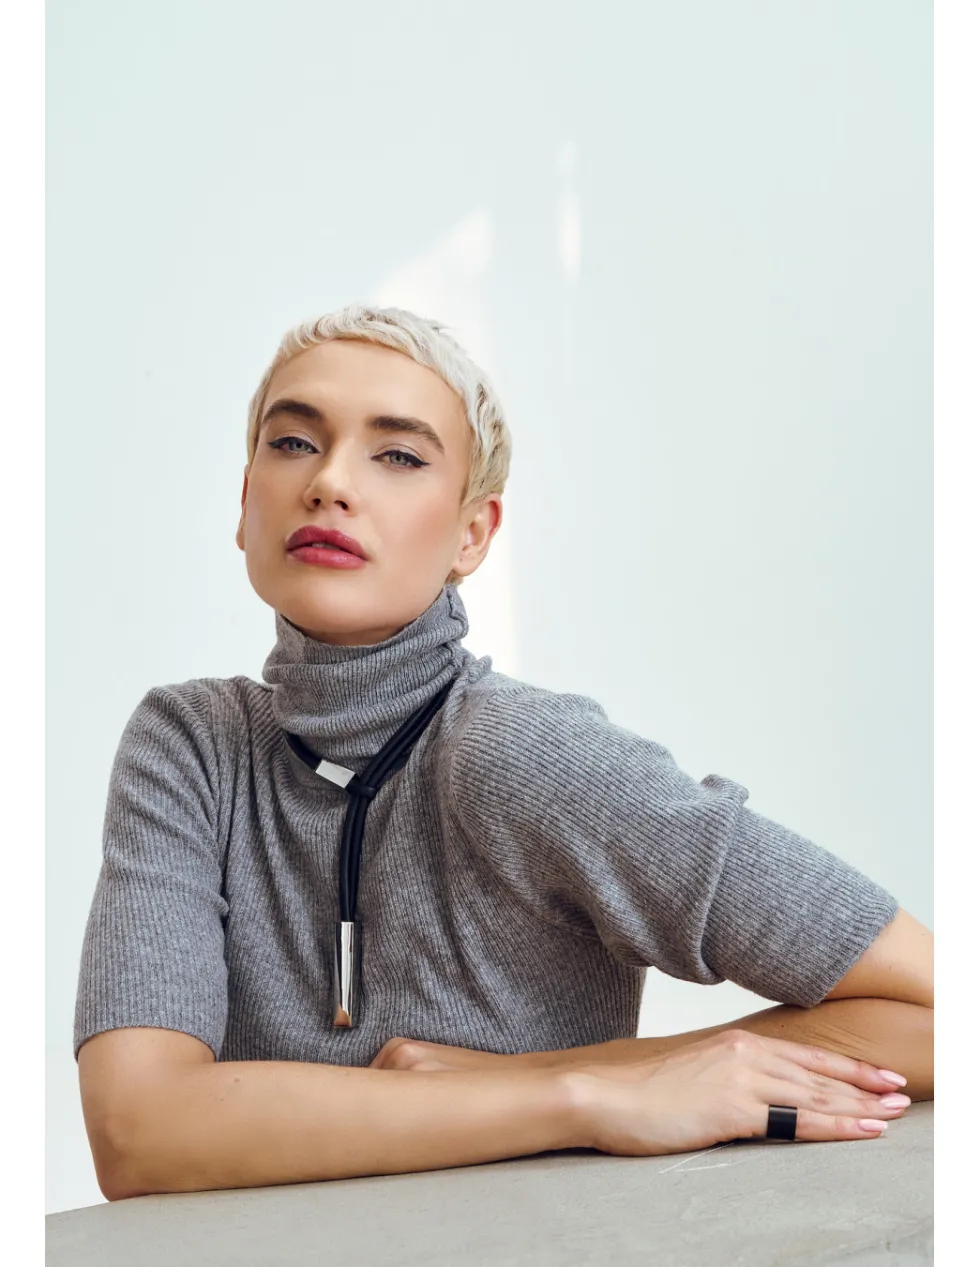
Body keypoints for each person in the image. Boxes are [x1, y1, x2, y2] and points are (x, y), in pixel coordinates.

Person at [74, 304, 933, 1200]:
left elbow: (939, 1005)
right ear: (245, 500)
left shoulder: (520, 752)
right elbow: (138, 1131)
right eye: (294, 442)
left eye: (397, 455)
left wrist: (602, 1069)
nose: (329, 482)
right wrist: (576, 1094)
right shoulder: (191, 745)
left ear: (473, 534)